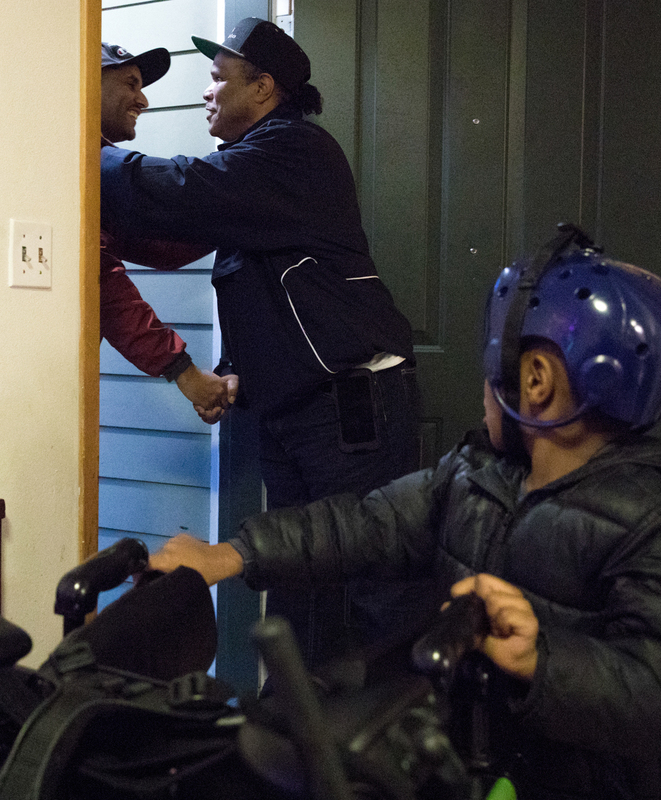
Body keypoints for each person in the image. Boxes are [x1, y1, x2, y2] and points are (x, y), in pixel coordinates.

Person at [147, 229, 661, 799]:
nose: (485, 384)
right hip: (477, 764)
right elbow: (364, 522)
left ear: (536, 381)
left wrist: (543, 660)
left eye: (493, 363)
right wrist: (233, 554)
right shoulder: (475, 472)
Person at [101, 19, 423, 666]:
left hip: (350, 405)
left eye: (218, 79)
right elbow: (193, 253)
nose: (206, 93)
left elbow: (173, 195)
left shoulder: (292, 151)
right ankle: (296, 733)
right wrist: (233, 365)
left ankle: (391, 744)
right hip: (299, 410)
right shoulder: (252, 176)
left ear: (265, 86)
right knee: (298, 576)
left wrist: (76, 146)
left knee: (368, 585)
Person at [99, 41, 232, 416]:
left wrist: (243, 207)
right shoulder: (73, 162)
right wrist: (183, 372)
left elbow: (156, 246)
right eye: (131, 84)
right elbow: (103, 284)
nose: (143, 100)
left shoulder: (92, 170)